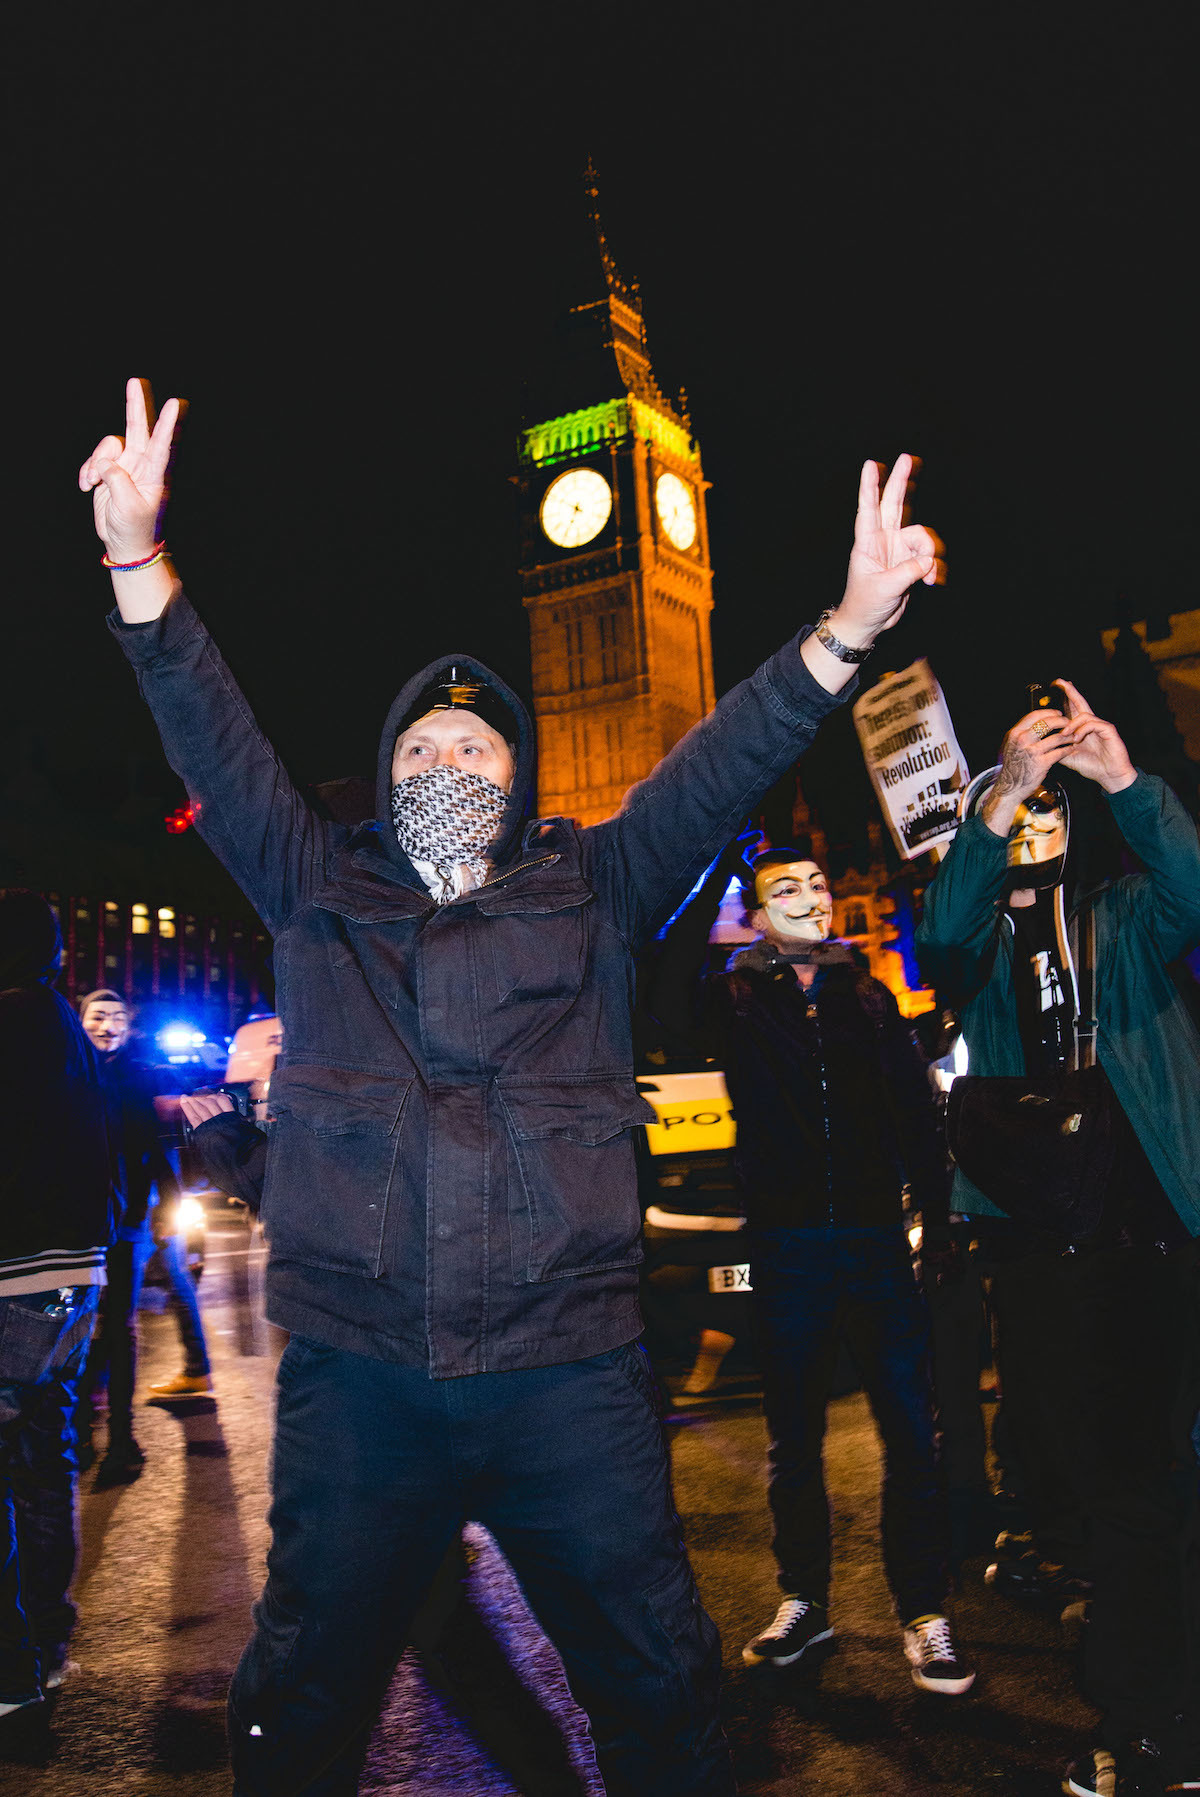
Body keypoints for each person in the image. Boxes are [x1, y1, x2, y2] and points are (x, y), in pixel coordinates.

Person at [80, 376, 943, 1796]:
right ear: (384, 777)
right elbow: (213, 742)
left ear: (520, 776)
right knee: (300, 1702)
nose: (447, 758)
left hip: (569, 1378)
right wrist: (136, 563)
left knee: (660, 1690)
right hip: (365, 1381)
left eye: (475, 744)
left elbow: (720, 767)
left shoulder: (596, 885)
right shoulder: (315, 887)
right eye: (420, 746)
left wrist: (847, 631)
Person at [915, 686, 1200, 1797]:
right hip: (1038, 1248)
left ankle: (1150, 1733)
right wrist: (1000, 796)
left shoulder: (1127, 912)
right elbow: (938, 929)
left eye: (1046, 810)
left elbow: (1195, 884)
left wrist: (1122, 779)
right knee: (1097, 1486)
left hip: (1141, 1235)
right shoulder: (978, 941)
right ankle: (1147, 1684)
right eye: (1017, 808)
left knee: (1143, 1490)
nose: (1034, 820)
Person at [647, 839, 974, 1695]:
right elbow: (661, 987)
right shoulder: (735, 998)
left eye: (818, 884)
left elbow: (915, 1113)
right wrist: (711, 868)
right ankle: (805, 1601)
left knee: (911, 1433)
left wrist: (935, 1219)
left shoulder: (869, 996)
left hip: (871, 1246)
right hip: (787, 1250)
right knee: (795, 1440)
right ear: (755, 913)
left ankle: (924, 1613)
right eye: (784, 888)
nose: (810, 896)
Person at [0, 891, 114, 1716]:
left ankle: (12, 1664)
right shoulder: (62, 1026)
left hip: (11, 1269)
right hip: (73, 1272)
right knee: (45, 1460)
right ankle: (44, 1643)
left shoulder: (9, 1020)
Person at [74, 991, 211, 1483]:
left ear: (128, 1026)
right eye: (97, 1016)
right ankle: (81, 1430)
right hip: (76, 1221)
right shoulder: (69, 1070)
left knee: (118, 1328)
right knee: (77, 1328)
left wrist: (168, 1210)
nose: (107, 1025)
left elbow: (156, 1150)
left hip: (127, 1220)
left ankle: (122, 1437)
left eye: (116, 1018)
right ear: (81, 1020)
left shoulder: (139, 1075)